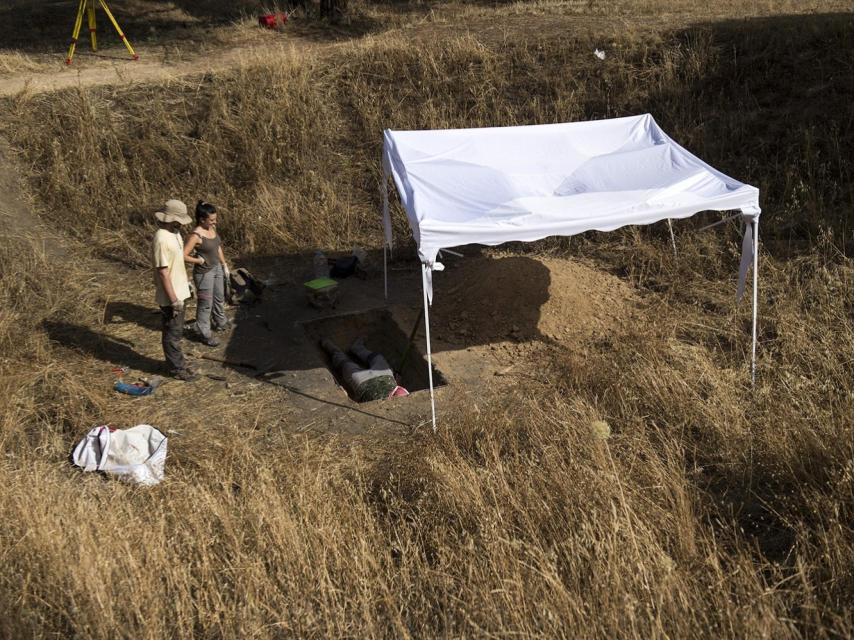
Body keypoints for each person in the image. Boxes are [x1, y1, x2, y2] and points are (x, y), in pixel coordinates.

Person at [152, 199, 198, 381]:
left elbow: (177, 263)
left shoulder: (175, 233)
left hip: (180, 290)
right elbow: (163, 272)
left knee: (177, 331)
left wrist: (187, 282)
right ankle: (176, 369)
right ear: (171, 219)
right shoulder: (161, 238)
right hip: (171, 295)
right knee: (172, 333)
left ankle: (178, 362)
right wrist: (173, 300)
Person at [183, 201, 230, 347]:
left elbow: (218, 247)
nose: (214, 222)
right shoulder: (196, 235)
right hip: (204, 274)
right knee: (205, 304)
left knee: (219, 297)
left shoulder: (212, 229)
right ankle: (204, 332)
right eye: (211, 220)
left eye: (215, 219)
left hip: (216, 268)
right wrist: (198, 260)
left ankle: (220, 321)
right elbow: (183, 255)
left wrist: (224, 264)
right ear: (202, 219)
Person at [320, 337, 408, 402]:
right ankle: (357, 348)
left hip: (369, 381)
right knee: (346, 364)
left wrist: (346, 396)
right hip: (368, 381)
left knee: (345, 364)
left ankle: (334, 349)